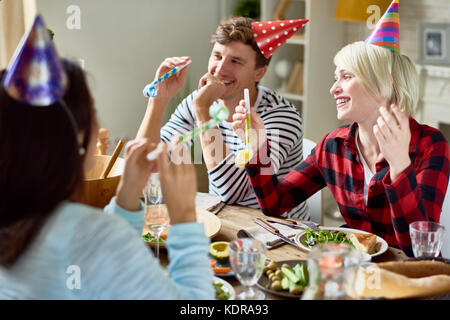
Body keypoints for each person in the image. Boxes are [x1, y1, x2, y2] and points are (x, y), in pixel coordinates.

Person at [0, 56, 214, 299]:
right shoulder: (91, 236)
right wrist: (185, 216)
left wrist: (127, 197)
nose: (99, 123)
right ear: (77, 136)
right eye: (93, 112)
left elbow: (105, 267)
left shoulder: (14, 219)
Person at [232, 39, 450, 256]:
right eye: (336, 79)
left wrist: (400, 166)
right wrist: (258, 148)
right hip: (351, 268)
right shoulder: (333, 145)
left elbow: (419, 250)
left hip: (410, 277)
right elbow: (275, 204)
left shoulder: (430, 144)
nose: (333, 89)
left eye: (346, 77)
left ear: (385, 84)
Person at [136, 16, 309, 220]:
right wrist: (158, 99)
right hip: (223, 221)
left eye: (235, 61)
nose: (220, 69)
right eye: (217, 56)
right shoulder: (200, 102)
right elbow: (144, 163)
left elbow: (231, 193)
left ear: (259, 73)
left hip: (279, 233)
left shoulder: (280, 116)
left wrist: (203, 110)